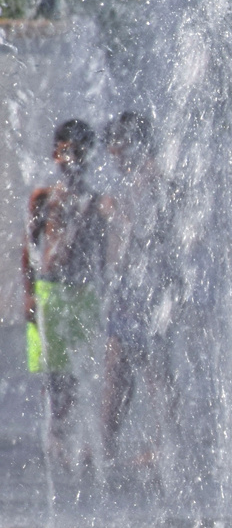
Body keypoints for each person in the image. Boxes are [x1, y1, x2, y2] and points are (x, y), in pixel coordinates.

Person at [99, 112, 181, 454]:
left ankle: (159, 445)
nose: (111, 153)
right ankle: (109, 441)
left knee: (149, 368)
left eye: (116, 144)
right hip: (132, 289)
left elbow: (157, 236)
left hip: (149, 290)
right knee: (123, 364)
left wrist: (117, 213)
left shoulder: (152, 179)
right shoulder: (141, 179)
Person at [22, 119, 109, 430]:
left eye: (78, 152)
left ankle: (66, 430)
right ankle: (55, 430)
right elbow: (29, 247)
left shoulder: (97, 203)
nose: (71, 160)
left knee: (75, 371)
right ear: (54, 154)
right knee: (52, 373)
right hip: (49, 290)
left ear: (88, 156)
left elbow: (102, 255)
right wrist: (29, 292)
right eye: (65, 151)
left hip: (81, 292)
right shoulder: (44, 198)